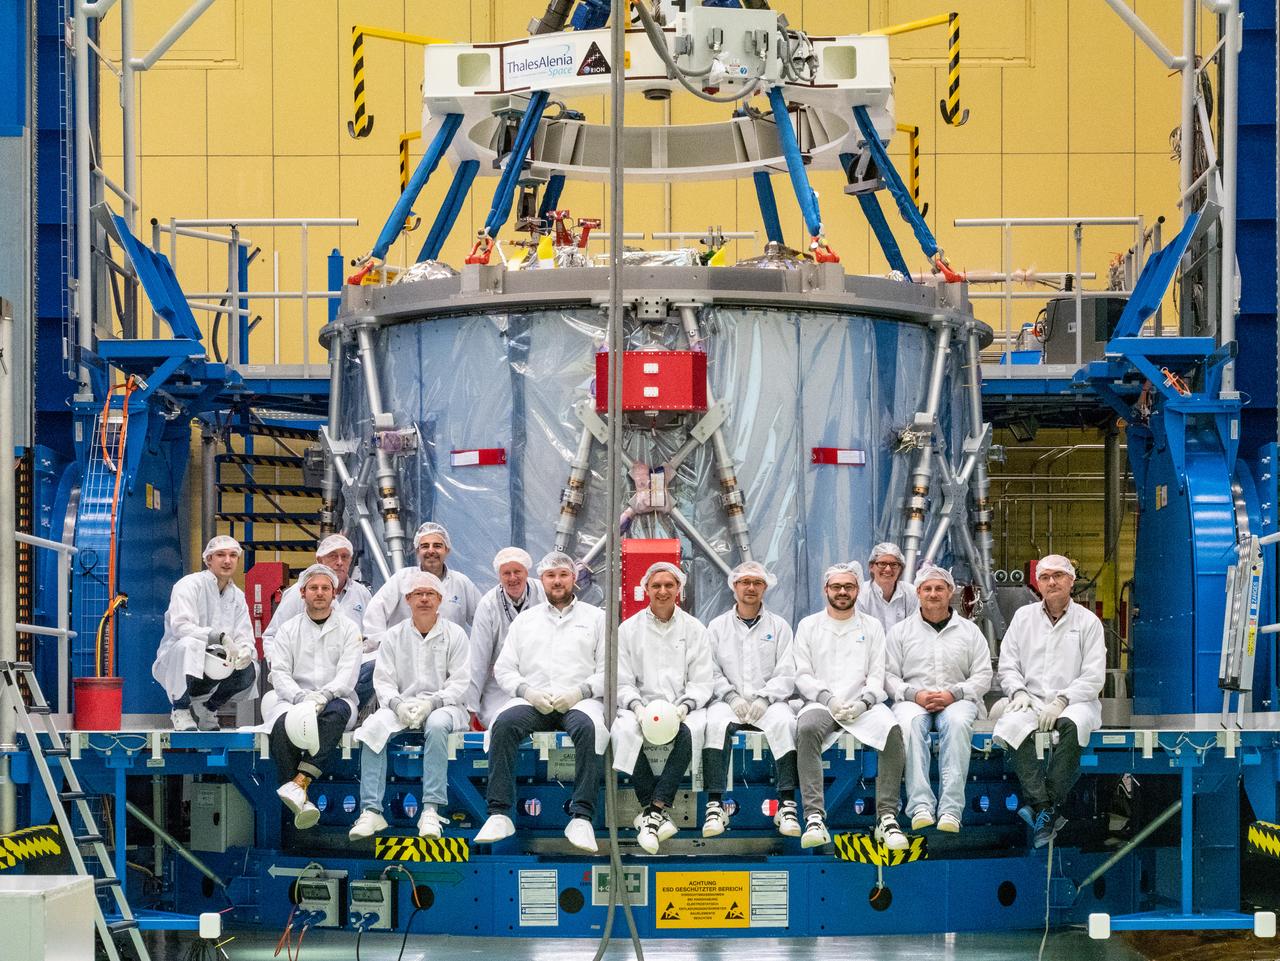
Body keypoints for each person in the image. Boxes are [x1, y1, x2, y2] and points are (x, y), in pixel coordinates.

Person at [473, 551, 607, 853]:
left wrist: (580, 692)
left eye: (563, 575)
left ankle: (582, 816)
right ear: (542, 580)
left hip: (578, 701)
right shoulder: (526, 621)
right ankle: (499, 813)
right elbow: (504, 668)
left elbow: (609, 671)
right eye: (551, 576)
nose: (557, 581)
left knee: (589, 729)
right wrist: (527, 692)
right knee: (504, 724)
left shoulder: (596, 619)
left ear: (574, 578)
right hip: (535, 699)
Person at [793, 563, 908, 851]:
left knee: (892, 732)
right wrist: (827, 699)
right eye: (836, 587)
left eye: (849, 587)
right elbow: (803, 674)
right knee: (806, 729)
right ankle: (815, 816)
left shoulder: (871, 627)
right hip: (821, 703)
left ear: (858, 590)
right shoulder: (808, 626)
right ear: (826, 590)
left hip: (863, 704)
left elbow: (877, 673)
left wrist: (864, 702)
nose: (842, 592)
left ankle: (887, 817)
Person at [349, 570, 471, 841]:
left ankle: (430, 809)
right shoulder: (394, 636)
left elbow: (460, 682)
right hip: (401, 705)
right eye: (418, 594)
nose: (424, 599)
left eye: (430, 594)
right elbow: (383, 681)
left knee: (438, 726)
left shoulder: (456, 635)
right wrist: (397, 705)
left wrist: (432, 703)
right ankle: (371, 811)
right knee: (372, 728)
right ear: (408, 599)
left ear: (440, 599)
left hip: (444, 706)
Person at [993, 554, 1105, 848]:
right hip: (1030, 698)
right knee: (1014, 726)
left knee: (1072, 725)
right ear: (1037, 584)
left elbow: (1094, 676)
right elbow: (1008, 665)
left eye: (1058, 576)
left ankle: (1043, 806)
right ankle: (1047, 809)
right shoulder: (1023, 618)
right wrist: (1017, 692)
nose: (1051, 582)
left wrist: (1063, 700)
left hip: (1075, 700)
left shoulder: (1088, 622)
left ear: (1070, 581)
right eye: (1045, 577)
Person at [613, 562, 713, 854]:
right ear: (645, 589)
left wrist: (683, 707)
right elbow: (621, 679)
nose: (663, 591)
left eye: (669, 585)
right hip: (640, 707)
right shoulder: (628, 630)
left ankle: (652, 812)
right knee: (623, 732)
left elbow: (702, 680)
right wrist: (637, 707)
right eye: (656, 585)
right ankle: (656, 811)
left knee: (691, 733)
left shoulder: (694, 629)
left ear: (679, 589)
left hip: (682, 708)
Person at [886, 565, 992, 834]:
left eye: (939, 588)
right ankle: (920, 805)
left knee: (957, 725)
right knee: (908, 726)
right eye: (927, 589)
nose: (933, 594)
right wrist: (915, 694)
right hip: (913, 699)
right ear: (918, 593)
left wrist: (953, 694)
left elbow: (983, 675)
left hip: (958, 699)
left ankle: (950, 810)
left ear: (950, 592)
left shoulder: (969, 632)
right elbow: (887, 675)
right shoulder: (900, 633)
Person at [702, 560, 800, 838]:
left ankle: (787, 804)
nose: (751, 588)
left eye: (757, 583)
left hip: (768, 702)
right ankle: (714, 804)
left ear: (765, 588)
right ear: (734, 586)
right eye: (745, 582)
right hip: (728, 701)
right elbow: (709, 668)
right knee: (715, 724)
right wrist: (731, 696)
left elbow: (786, 670)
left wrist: (765, 699)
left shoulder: (779, 627)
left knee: (785, 724)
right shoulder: (717, 626)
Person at [263, 564, 363, 829]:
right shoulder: (288, 630)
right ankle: (300, 798)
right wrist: (300, 698)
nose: (319, 593)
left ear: (334, 594)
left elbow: (348, 674)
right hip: (295, 699)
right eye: (314, 588)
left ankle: (300, 783)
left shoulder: (349, 629)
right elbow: (280, 671)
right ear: (302, 593)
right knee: (281, 727)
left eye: (325, 588)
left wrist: (324, 696)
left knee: (338, 713)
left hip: (335, 700)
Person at [152, 535, 258, 732]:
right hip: (179, 663)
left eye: (233, 555)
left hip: (213, 668)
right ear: (208, 560)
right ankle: (180, 709)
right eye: (220, 555)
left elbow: (245, 635)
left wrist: (245, 650)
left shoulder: (237, 596)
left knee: (250, 668)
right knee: (189, 644)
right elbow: (181, 627)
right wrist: (218, 636)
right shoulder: (189, 585)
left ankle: (209, 709)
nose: (227, 561)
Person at [467, 547, 546, 729]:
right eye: (506, 573)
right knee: (502, 723)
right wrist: (470, 709)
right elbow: (478, 660)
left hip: (539, 679)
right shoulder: (488, 605)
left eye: (517, 571)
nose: (512, 578)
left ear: (527, 572)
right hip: (500, 685)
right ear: (499, 576)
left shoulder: (543, 593)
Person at [363, 522, 482, 638]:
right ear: (417, 551)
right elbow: (376, 610)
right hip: (405, 655)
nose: (431, 551)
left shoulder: (461, 583)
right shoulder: (402, 579)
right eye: (425, 546)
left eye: (437, 546)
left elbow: (483, 619)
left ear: (447, 550)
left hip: (448, 655)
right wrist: (381, 645)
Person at [263, 534, 372, 659]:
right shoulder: (298, 593)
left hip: (353, 669)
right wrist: (279, 669)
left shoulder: (362, 594)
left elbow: (372, 636)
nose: (340, 562)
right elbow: (273, 636)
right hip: (305, 669)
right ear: (319, 560)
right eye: (333, 556)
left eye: (345, 557)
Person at [856, 542, 919, 633]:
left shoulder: (911, 593)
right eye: (882, 563)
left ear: (900, 568)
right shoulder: (861, 594)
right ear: (871, 567)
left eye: (894, 564)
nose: (888, 569)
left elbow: (915, 630)